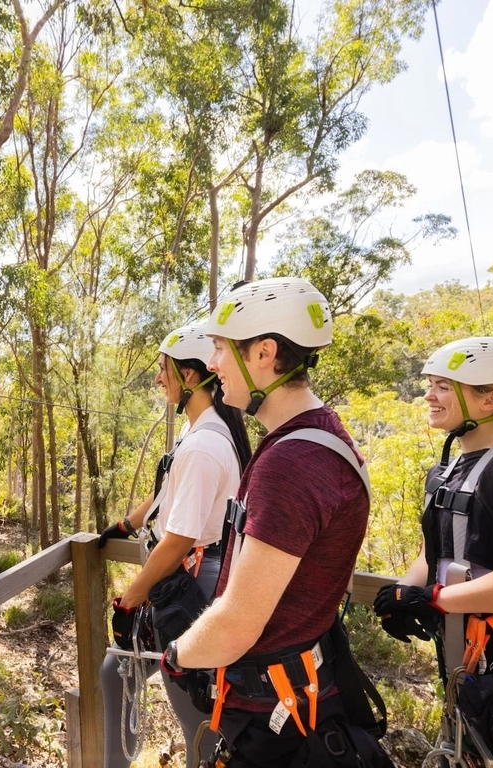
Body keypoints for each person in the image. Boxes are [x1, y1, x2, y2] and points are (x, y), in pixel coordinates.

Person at [163, 278, 390, 767]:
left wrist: (177, 655)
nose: (214, 364)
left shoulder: (292, 461)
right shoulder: (319, 436)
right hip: (301, 699)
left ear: (264, 352)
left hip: (277, 723)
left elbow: (239, 622)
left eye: (221, 348)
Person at [373, 336, 493, 765]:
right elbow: (433, 553)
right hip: (468, 658)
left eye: (443, 385)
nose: (428, 395)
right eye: (430, 384)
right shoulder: (444, 471)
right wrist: (405, 593)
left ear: (491, 399)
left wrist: (438, 600)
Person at [97, 324, 252, 768]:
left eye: (163, 369)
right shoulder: (202, 432)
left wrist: (129, 600)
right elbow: (169, 494)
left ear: (189, 376)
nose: (157, 378)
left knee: (195, 714)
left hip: (189, 584)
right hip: (184, 579)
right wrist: (126, 524)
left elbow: (178, 539)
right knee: (118, 670)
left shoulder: (204, 445)